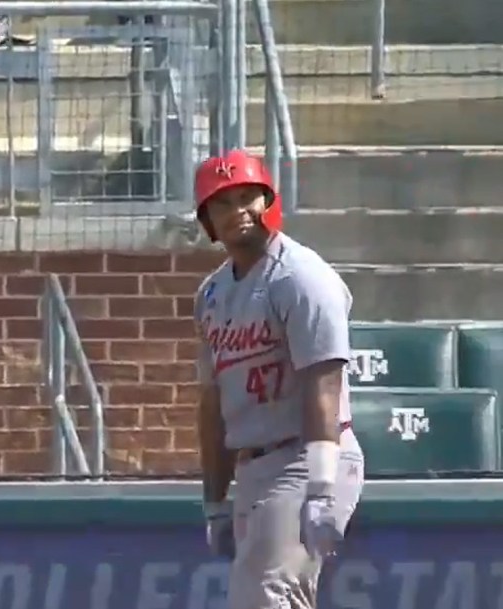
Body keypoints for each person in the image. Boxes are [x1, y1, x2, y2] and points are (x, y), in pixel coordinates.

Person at [191, 150, 366, 609]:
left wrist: (322, 487)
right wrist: (215, 500)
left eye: (248, 196)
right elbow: (213, 403)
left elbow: (323, 382)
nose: (238, 211)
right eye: (222, 203)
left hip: (303, 457)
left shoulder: (302, 277)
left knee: (272, 596)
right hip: (254, 467)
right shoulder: (212, 293)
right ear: (206, 220)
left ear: (269, 200)